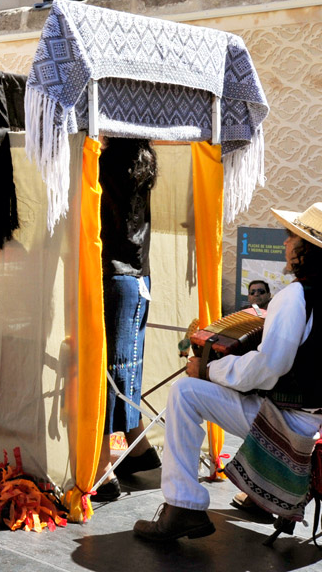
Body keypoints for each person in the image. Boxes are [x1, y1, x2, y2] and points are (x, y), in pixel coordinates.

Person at [134, 203, 322, 541]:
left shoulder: (296, 297)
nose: (285, 243)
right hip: (316, 422)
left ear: (305, 249)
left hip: (292, 427)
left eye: (291, 237)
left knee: (185, 393)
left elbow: (269, 368)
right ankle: (259, 497)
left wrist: (208, 369)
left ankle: (182, 507)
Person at [92, 138, 159, 502]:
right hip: (137, 276)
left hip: (116, 276)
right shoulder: (142, 160)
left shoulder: (104, 162)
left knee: (114, 371)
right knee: (128, 368)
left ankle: (104, 468)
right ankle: (136, 446)